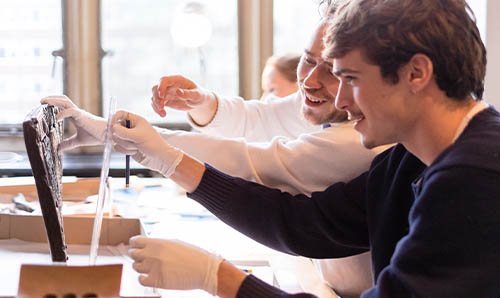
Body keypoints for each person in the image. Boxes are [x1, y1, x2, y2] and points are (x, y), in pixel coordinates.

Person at [108, 0, 499, 297]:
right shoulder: (409, 158)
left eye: (350, 78)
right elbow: (307, 223)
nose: (343, 101)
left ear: (416, 73)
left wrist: (218, 277)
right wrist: (167, 159)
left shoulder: (473, 181)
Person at [42, 15, 380, 297]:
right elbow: (261, 118)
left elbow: (256, 165)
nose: (308, 81)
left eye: (334, 72)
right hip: (319, 277)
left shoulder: (363, 141)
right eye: (307, 60)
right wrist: (201, 102)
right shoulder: (334, 103)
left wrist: (127, 137)